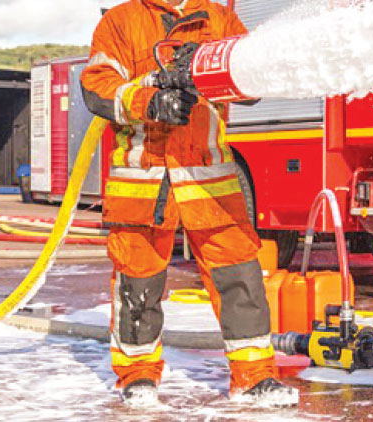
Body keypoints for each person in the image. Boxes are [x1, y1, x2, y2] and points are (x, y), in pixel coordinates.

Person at [80, 0, 298, 406]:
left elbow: (253, 83)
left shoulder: (218, 18)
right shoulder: (122, 20)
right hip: (144, 180)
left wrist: (210, 68)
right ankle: (137, 375)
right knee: (138, 281)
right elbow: (97, 86)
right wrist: (151, 102)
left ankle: (254, 376)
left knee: (240, 276)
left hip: (209, 179)